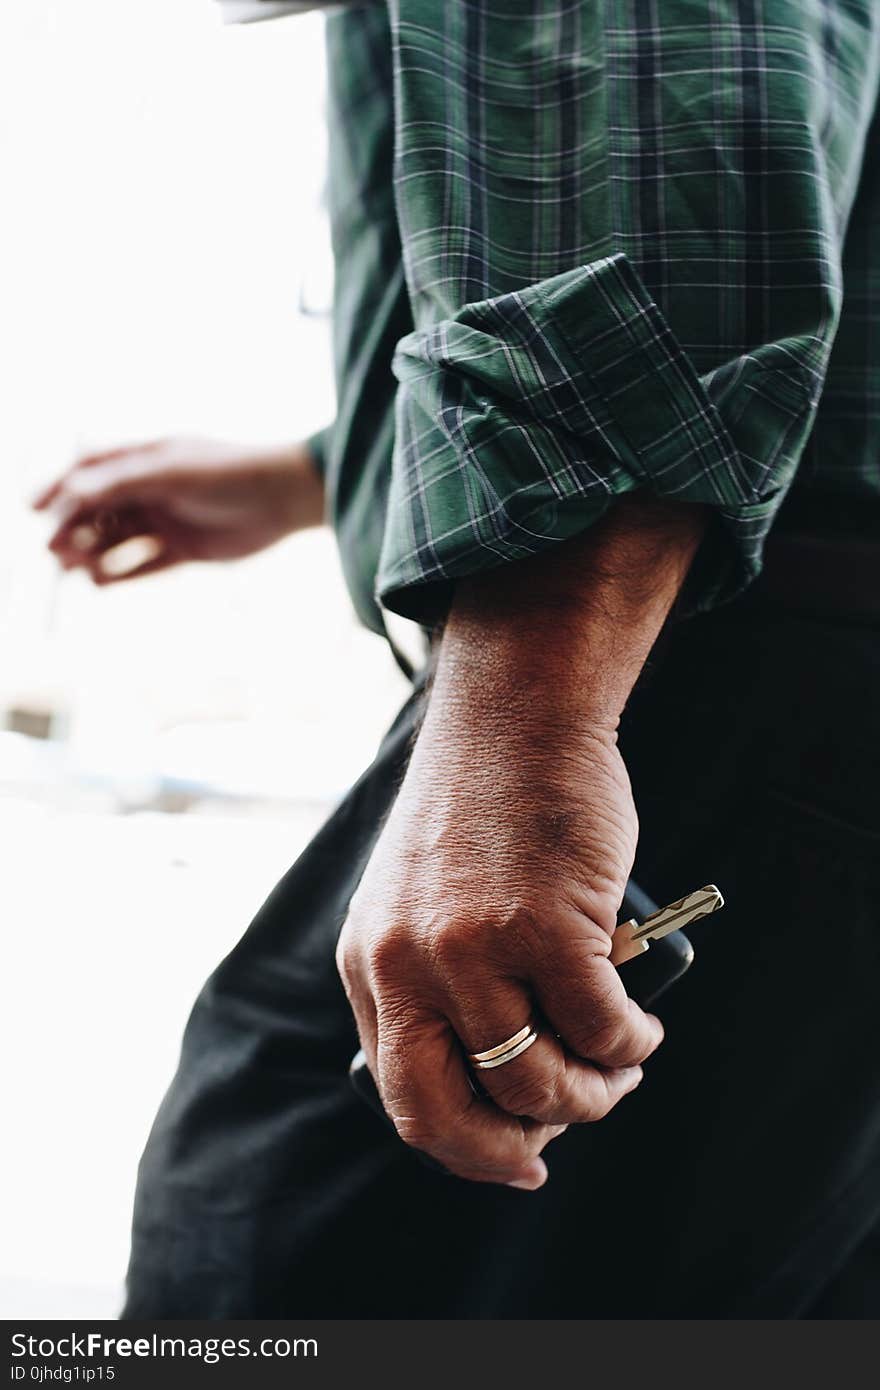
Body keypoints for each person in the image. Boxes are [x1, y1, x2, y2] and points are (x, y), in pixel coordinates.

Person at [36, 1, 880, 1317]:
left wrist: (528, 715)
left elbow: (661, 90)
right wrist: (328, 471)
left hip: (724, 666)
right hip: (803, 687)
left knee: (273, 1271)